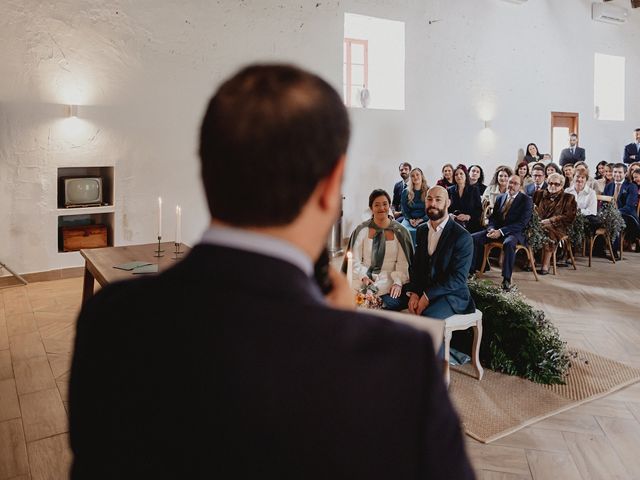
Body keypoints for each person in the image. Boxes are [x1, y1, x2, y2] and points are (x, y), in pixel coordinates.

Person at [69, 64, 473, 479]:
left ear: (207, 172)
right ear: (332, 184)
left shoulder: (112, 321)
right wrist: (345, 335)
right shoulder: (398, 363)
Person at [406, 186, 475, 320]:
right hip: (424, 289)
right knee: (393, 304)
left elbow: (458, 278)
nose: (433, 204)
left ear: (447, 203)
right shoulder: (421, 230)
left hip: (451, 295)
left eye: (438, 200)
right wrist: (414, 293)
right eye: (429, 199)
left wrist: (427, 296)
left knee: (426, 319)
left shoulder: (462, 237)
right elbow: (417, 266)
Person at [345, 189, 413, 311]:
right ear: (371, 208)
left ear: (390, 206)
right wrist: (363, 276)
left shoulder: (400, 232)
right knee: (348, 298)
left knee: (387, 297)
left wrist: (397, 281)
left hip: (388, 278)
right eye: (377, 204)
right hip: (364, 277)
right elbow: (354, 259)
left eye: (385, 204)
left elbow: (403, 262)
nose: (381, 208)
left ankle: (374, 304)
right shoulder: (362, 230)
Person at [472, 175, 533, 292]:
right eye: (510, 182)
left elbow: (521, 223)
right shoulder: (500, 197)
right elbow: (493, 218)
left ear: (520, 186)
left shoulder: (526, 200)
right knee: (473, 238)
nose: (511, 185)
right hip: (496, 231)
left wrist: (501, 232)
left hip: (514, 233)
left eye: (515, 183)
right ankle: (471, 271)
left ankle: (506, 279)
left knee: (509, 243)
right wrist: (491, 229)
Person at [533, 173, 577, 275]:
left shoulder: (568, 198)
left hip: (559, 226)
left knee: (548, 231)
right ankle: (531, 260)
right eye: (550, 183)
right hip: (539, 223)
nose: (553, 186)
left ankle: (546, 264)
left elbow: (569, 217)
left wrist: (551, 220)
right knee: (530, 230)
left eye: (556, 184)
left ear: (562, 185)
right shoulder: (539, 194)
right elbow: (531, 209)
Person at [604, 163, 640, 255]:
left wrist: (614, 213)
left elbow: (629, 206)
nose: (617, 174)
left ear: (625, 174)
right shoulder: (609, 186)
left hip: (628, 216)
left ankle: (614, 251)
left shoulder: (631, 186)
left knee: (615, 220)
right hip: (610, 214)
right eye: (615, 172)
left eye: (620, 172)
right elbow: (604, 203)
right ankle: (598, 249)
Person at [448, 165, 482, 233]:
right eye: (456, 174)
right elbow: (445, 208)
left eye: (461, 174)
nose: (458, 176)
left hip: (470, 223)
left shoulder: (474, 190)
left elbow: (479, 210)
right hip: (453, 221)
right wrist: (450, 215)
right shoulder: (450, 190)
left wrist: (468, 216)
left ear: (466, 175)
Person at [401, 167, 430, 245]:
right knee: (404, 230)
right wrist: (410, 219)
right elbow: (404, 209)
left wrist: (421, 220)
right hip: (410, 219)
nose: (415, 177)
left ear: (422, 176)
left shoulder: (429, 191)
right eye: (413, 176)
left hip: (425, 219)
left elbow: (431, 209)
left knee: (425, 231)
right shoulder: (406, 192)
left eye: (417, 175)